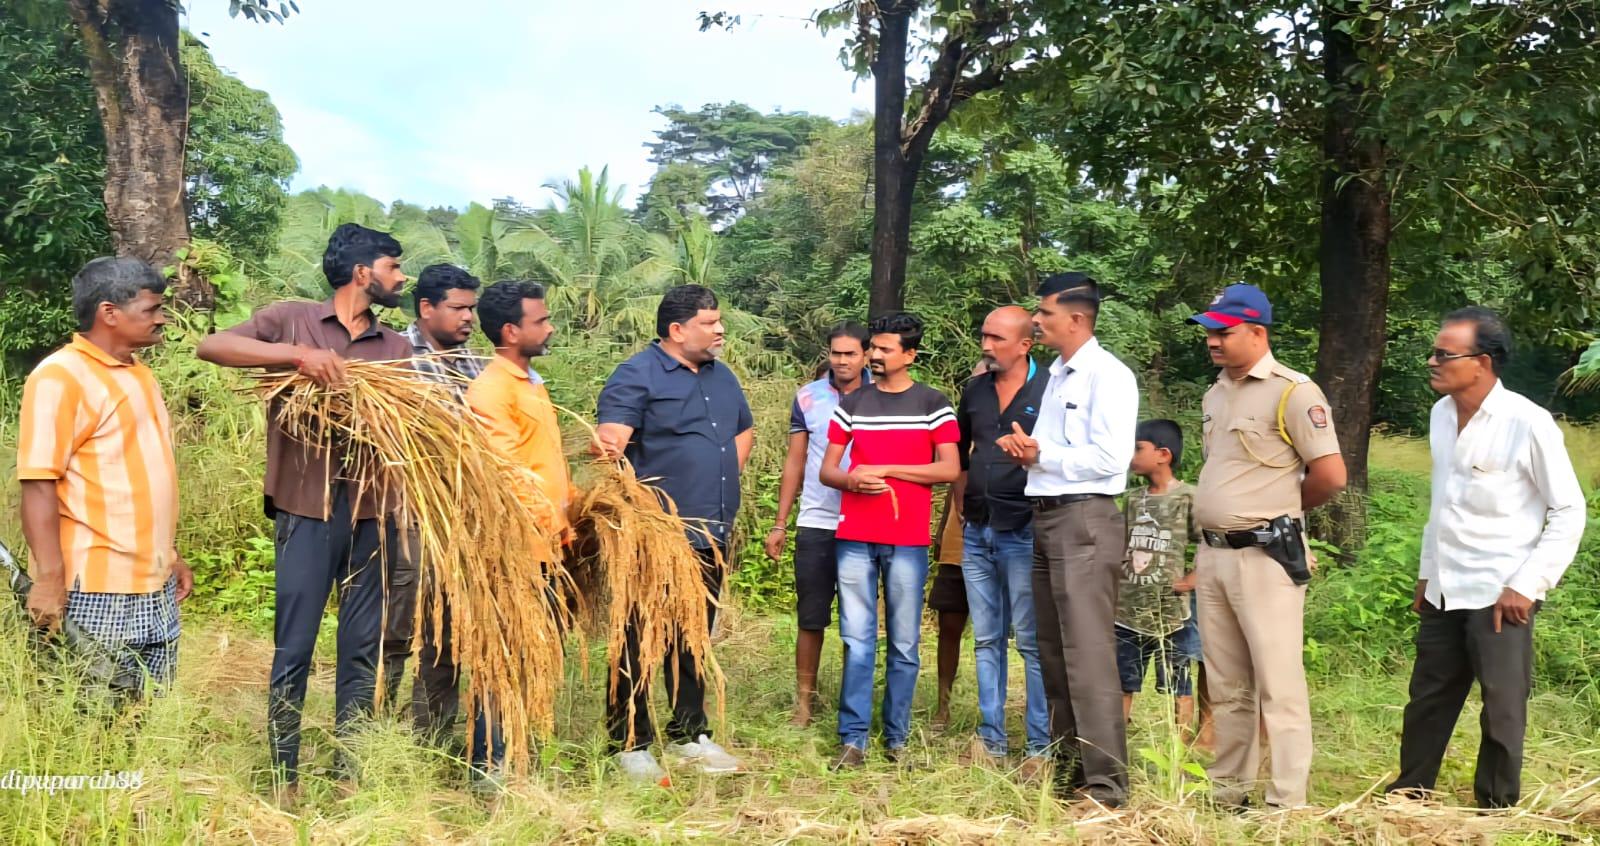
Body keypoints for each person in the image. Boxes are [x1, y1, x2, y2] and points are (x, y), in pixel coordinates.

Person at [196, 223, 413, 795]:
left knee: (361, 647)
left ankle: (348, 772)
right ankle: (282, 774)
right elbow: (213, 345)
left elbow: (413, 425)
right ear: (364, 272)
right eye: (394, 267)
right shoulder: (292, 320)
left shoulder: (396, 347)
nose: (402, 277)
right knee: (294, 644)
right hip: (306, 508)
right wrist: (299, 358)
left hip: (372, 511)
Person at [1386, 307, 1585, 809]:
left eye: (1443, 354)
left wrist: (1529, 583)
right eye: (1433, 352)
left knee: (1501, 705)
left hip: (1501, 590)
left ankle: (1495, 807)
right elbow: (1441, 505)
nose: (1432, 361)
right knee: (1428, 697)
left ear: (1483, 362)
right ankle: (1411, 792)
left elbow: (1568, 508)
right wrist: (1426, 575)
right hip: (1445, 585)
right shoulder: (1440, 415)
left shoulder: (1527, 422)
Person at [1187, 283, 1346, 809]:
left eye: (1223, 332)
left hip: (1265, 555)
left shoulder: (1293, 391)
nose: (1212, 341)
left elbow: (1330, 475)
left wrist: (1282, 515)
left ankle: (1285, 801)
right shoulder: (1216, 392)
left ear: (1257, 332)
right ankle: (1229, 791)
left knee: (1278, 683)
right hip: (1214, 554)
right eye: (1209, 331)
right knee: (1228, 684)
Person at [594, 284, 752, 784]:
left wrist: (719, 472)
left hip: (713, 532)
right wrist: (611, 445)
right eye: (710, 322)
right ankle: (630, 742)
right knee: (640, 636)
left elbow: (742, 429)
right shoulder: (636, 375)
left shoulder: (722, 377)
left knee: (694, 637)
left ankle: (689, 734)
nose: (720, 329)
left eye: (719, 320)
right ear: (677, 329)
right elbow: (610, 445)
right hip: (656, 536)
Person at [17, 257, 193, 699]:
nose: (162, 319)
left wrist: (168, 554)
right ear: (109, 313)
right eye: (151, 310)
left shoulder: (140, 373)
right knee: (95, 715)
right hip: (96, 586)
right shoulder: (60, 377)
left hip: (153, 583)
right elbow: (39, 483)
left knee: (149, 713)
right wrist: (49, 579)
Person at [997, 273, 1139, 806]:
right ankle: (1071, 770)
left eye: (1045, 313)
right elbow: (1056, 450)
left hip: (1086, 520)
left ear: (1077, 319)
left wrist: (1043, 457)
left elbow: (1110, 460)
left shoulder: (1109, 375)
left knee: (1087, 654)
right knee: (1052, 650)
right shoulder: (1056, 374)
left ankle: (1107, 787)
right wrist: (1030, 450)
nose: (1037, 321)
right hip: (1047, 516)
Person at [820, 312, 961, 769]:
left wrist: (886, 470)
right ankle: (853, 739)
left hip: (907, 540)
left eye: (884, 349)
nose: (874, 356)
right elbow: (828, 471)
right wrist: (853, 482)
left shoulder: (933, 405)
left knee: (904, 643)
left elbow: (948, 470)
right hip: (855, 537)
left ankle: (896, 739)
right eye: (873, 348)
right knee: (857, 640)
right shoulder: (854, 404)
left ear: (910, 355)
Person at [462, 280, 572, 784]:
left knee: (536, 652)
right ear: (511, 330)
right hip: (516, 549)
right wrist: (553, 522)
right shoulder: (491, 389)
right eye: (540, 321)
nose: (549, 328)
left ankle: (521, 756)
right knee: (503, 654)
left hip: (549, 545)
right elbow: (509, 476)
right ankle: (490, 763)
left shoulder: (531, 381)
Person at [384, 263, 484, 746]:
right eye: (458, 308)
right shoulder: (393, 359)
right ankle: (375, 728)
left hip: (466, 522)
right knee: (396, 626)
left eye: (472, 308)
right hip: (408, 516)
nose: (469, 317)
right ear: (426, 308)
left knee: (448, 631)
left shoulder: (478, 367)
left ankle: (433, 735)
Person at [952, 306, 1051, 775]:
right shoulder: (974, 390)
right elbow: (961, 455)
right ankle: (991, 741)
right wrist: (960, 507)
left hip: (1025, 531)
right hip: (977, 529)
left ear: (1025, 345)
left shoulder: (1051, 388)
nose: (986, 346)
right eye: (983, 336)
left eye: (996, 338)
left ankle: (1038, 747)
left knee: (1030, 641)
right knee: (987, 639)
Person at [765, 321, 871, 728]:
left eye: (850, 353)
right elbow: (796, 461)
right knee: (811, 617)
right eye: (836, 353)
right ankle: (804, 705)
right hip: (817, 519)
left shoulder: (880, 396)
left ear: (865, 355)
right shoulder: (808, 398)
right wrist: (780, 523)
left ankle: (852, 705)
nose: (842, 361)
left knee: (856, 620)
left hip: (865, 520)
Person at [1115, 419, 1211, 749]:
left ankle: (1178, 751)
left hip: (1172, 613)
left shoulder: (1188, 498)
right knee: (1122, 681)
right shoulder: (1133, 500)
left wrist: (1193, 579)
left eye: (1138, 448)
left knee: (1177, 682)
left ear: (1163, 455)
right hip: (1127, 610)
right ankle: (1114, 750)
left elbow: (1210, 541)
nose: (1131, 455)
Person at [926, 488, 968, 735]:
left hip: (1003, 542)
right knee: (949, 628)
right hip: (957, 542)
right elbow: (955, 482)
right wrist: (942, 531)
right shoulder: (961, 446)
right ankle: (943, 707)